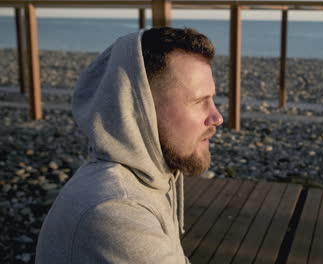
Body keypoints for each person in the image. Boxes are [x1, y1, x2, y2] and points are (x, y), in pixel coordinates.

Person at [35, 27, 223, 263]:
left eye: (213, 99)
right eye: (199, 101)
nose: (217, 117)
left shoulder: (148, 178)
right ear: (140, 110)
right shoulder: (116, 212)